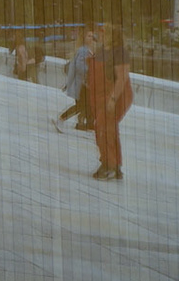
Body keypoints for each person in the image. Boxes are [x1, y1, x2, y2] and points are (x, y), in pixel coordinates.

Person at [91, 23, 133, 181]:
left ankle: (111, 165)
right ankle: (112, 164)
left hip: (117, 96)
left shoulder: (120, 53)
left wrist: (113, 99)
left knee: (104, 128)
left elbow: (121, 78)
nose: (100, 35)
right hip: (102, 96)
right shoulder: (101, 51)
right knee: (105, 128)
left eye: (103, 33)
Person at [53, 26, 96, 132]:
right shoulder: (83, 51)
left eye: (92, 36)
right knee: (80, 106)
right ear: (84, 37)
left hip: (85, 84)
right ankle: (61, 119)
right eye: (89, 36)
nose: (91, 38)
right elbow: (79, 66)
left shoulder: (87, 50)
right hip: (82, 84)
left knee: (83, 106)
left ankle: (80, 122)